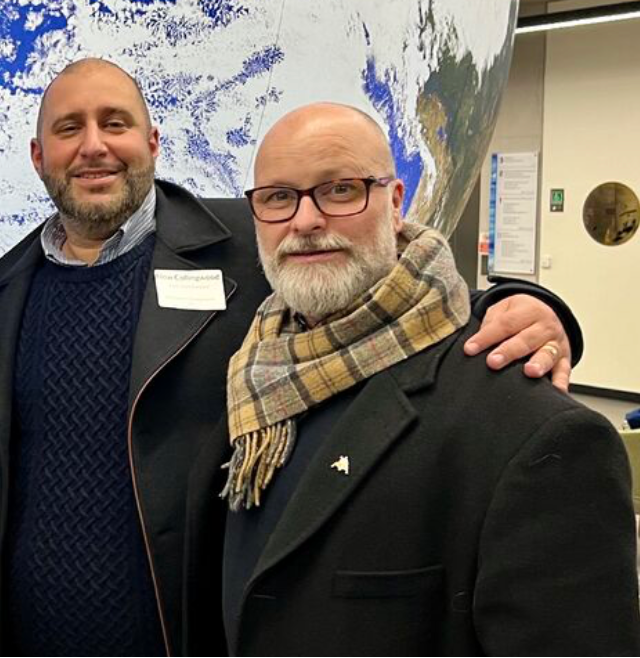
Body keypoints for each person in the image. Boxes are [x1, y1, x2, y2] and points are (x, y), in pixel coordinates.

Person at [0, 58, 582, 656]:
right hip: (23, 639)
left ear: (152, 142)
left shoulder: (249, 243)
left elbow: (393, 285)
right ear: (38, 156)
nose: (94, 145)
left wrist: (524, 304)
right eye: (69, 128)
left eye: (114, 123)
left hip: (194, 636)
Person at [190, 102, 640, 655]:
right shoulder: (254, 367)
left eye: (340, 189)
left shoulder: (534, 433)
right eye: (279, 197)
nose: (304, 221)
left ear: (396, 202)